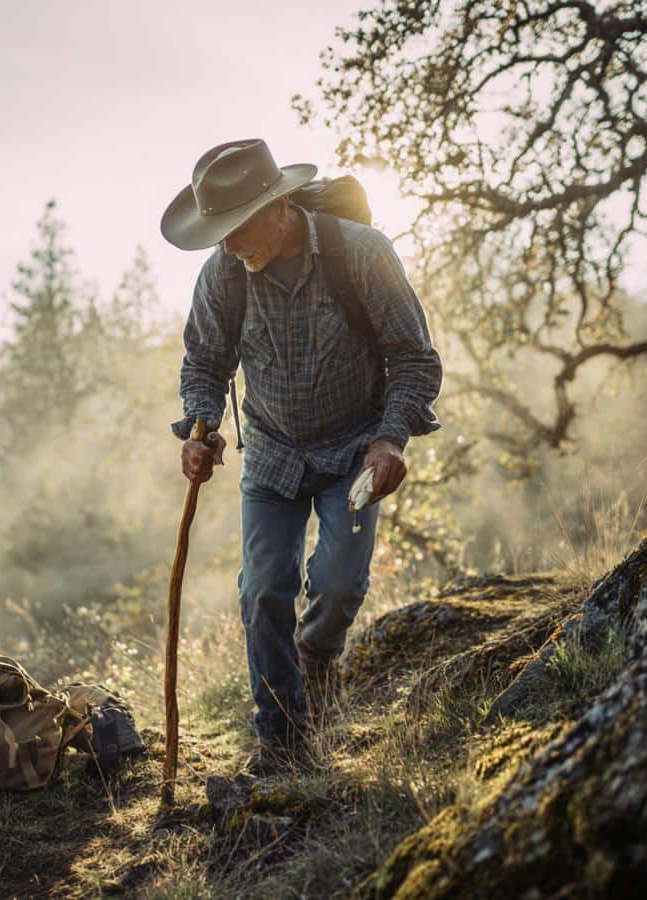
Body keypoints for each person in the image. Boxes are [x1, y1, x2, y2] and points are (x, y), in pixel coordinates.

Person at [159, 138, 443, 774]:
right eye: (219, 234)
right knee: (263, 592)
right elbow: (204, 363)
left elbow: (416, 358)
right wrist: (200, 429)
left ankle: (318, 657)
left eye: (235, 229)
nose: (228, 244)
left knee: (340, 586)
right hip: (271, 456)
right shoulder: (225, 274)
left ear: (278, 208)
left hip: (355, 449)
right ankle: (282, 739)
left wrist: (391, 438)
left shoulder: (359, 254)